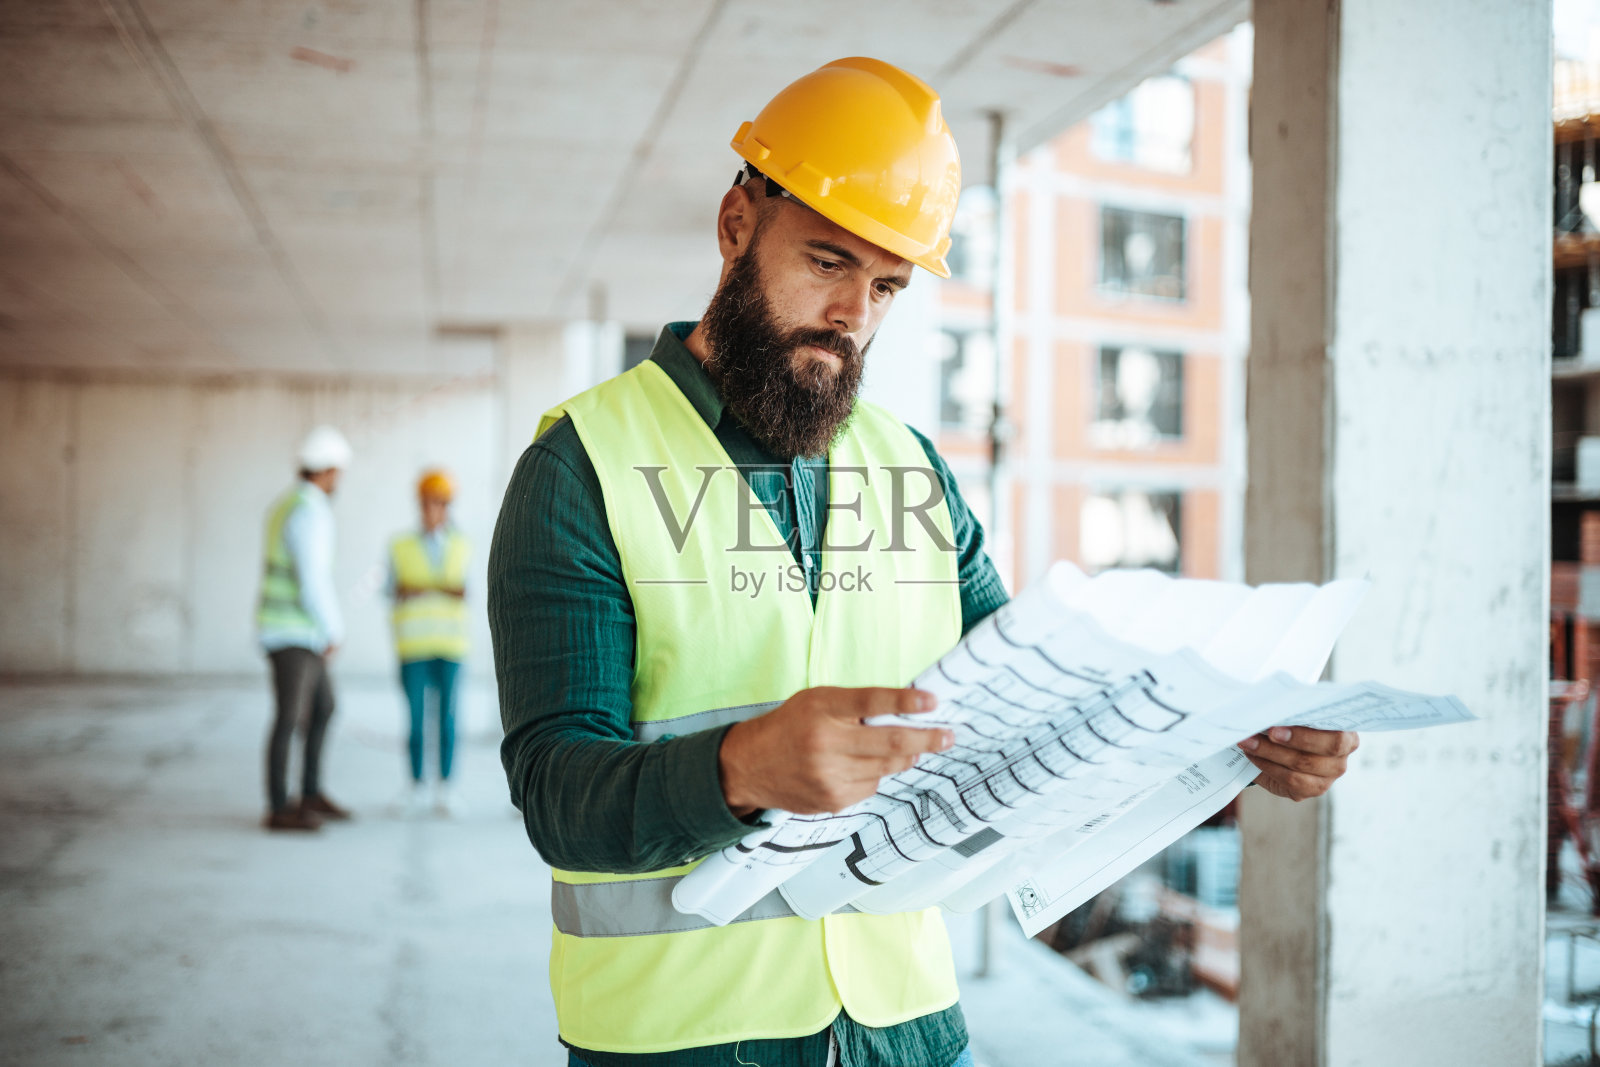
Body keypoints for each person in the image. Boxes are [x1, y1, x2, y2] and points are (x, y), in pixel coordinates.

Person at [489, 57, 1360, 1067]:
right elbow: (558, 792)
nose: (853, 313)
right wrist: (738, 769)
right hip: (683, 1040)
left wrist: (1228, 747)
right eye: (825, 260)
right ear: (737, 224)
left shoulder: (911, 469)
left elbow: (1038, 714)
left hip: (908, 1029)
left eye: (887, 284)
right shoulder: (582, 465)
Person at [256, 425, 354, 832]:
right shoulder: (309, 510)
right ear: (328, 470)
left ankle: (310, 793)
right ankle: (281, 806)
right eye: (339, 472)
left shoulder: (290, 503)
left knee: (324, 707)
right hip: (292, 632)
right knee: (290, 717)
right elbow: (312, 578)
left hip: (295, 630)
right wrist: (334, 630)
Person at [387, 469, 470, 817]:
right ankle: (416, 786)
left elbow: (465, 591)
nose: (432, 510)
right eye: (426, 503)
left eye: (439, 503)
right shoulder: (400, 546)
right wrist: (429, 588)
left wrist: (423, 587)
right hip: (414, 648)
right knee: (417, 720)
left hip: (451, 647)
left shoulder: (463, 545)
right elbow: (393, 590)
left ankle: (446, 789)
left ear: (448, 506)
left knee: (448, 719)